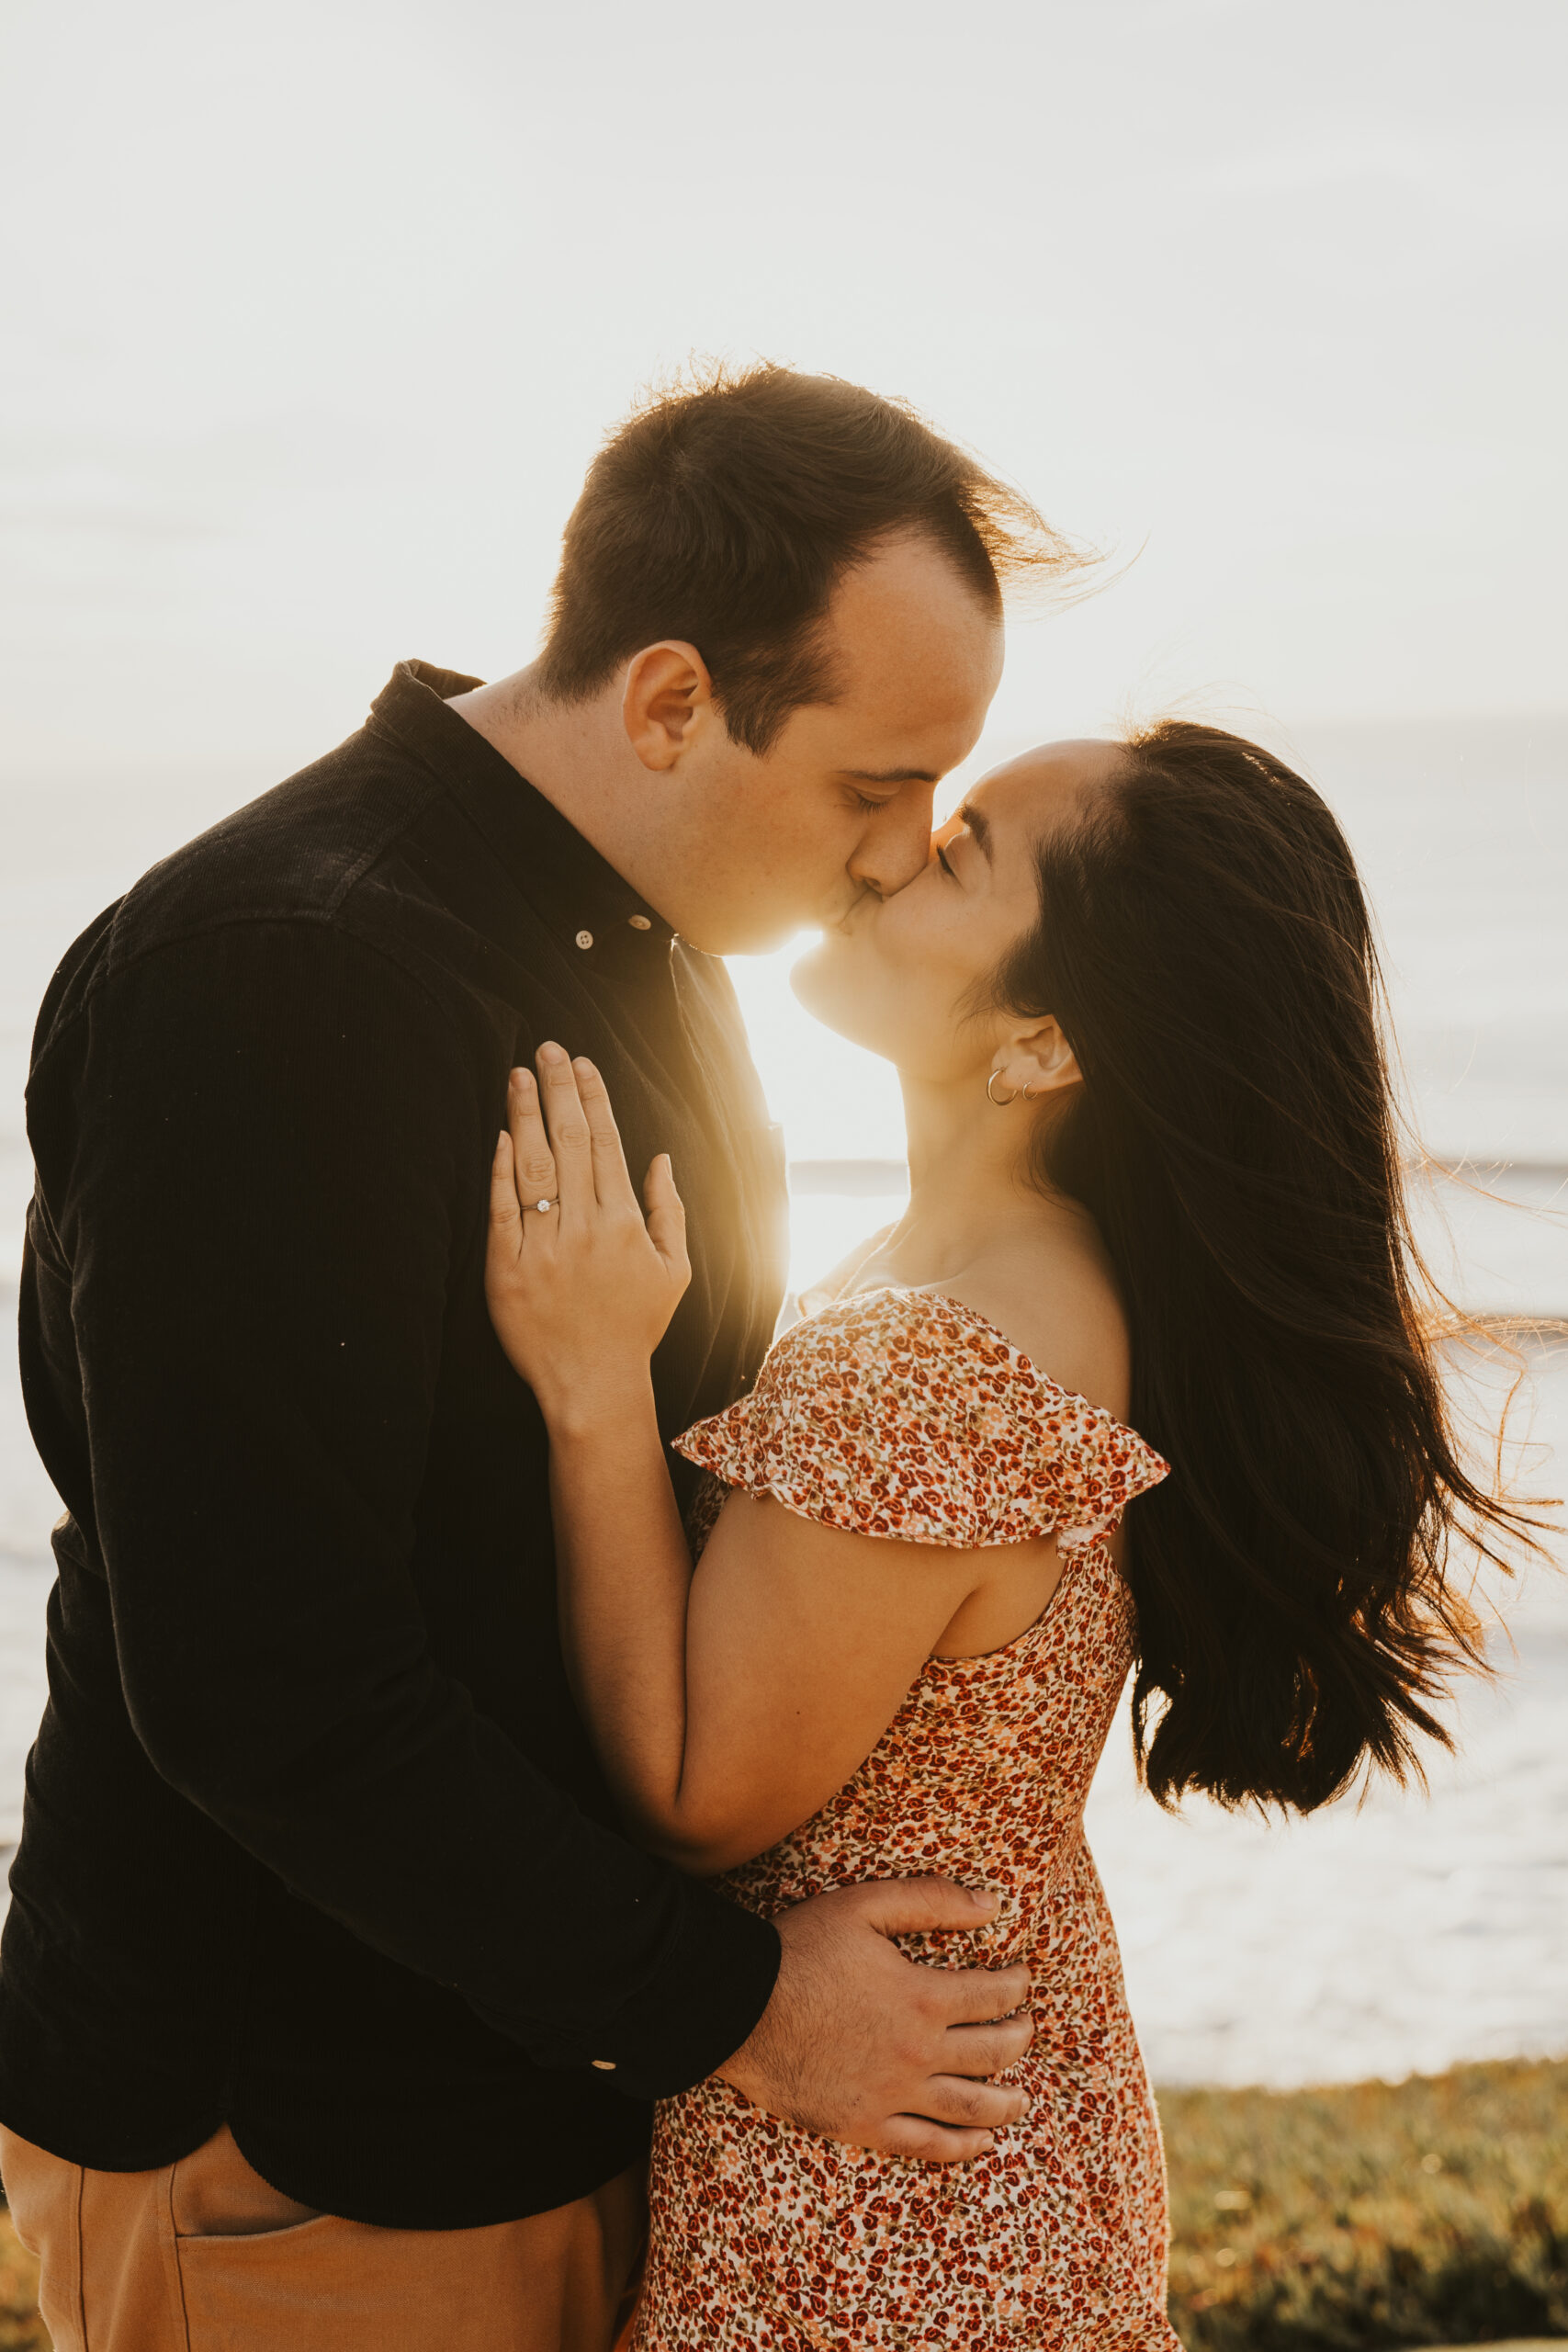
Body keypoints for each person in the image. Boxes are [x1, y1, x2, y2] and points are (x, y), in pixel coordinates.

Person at [0, 366, 1080, 2352]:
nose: (895, 851)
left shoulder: (642, 928)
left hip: (545, 2085)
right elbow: (263, 1687)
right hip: (308, 2150)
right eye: (868, 784)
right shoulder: (279, 973)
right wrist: (746, 2008)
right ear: (668, 699)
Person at [484, 722, 1532, 2347]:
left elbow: (693, 1788)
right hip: (988, 2145)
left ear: (1040, 1042)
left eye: (959, 849)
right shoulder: (1036, 1277)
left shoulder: (940, 1351)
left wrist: (589, 1381)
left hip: (878, 2204)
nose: (891, 848)